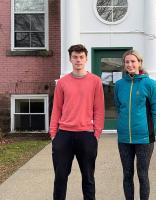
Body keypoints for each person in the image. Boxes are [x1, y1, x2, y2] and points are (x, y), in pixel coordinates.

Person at [49, 44, 104, 200]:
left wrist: (97, 133)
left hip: (87, 135)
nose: (78, 60)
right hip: (64, 135)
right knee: (60, 178)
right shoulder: (62, 82)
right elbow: (56, 109)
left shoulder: (95, 81)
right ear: (70, 59)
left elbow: (99, 109)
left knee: (88, 178)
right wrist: (54, 134)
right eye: (75, 57)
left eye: (81, 57)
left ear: (86, 59)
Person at [114, 50, 156, 200]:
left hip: (144, 138)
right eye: (127, 62)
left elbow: (155, 109)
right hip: (124, 138)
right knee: (127, 174)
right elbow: (118, 107)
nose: (130, 64)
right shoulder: (119, 85)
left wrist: (148, 128)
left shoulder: (150, 84)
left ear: (140, 63)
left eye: (133, 61)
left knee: (142, 174)